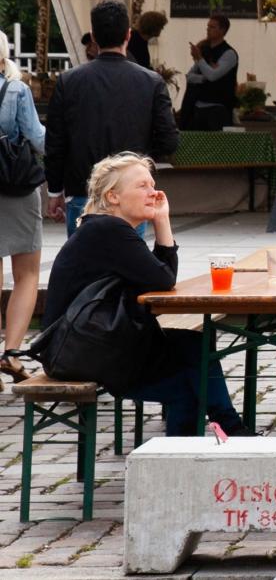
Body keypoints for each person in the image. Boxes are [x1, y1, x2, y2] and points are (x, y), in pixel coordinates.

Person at [44, 153, 246, 436]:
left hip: (84, 343)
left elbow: (158, 278)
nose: (154, 193)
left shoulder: (104, 228)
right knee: (192, 362)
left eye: (152, 184)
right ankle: (229, 429)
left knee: (192, 348)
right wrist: (162, 222)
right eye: (142, 186)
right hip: (81, 350)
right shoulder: (109, 229)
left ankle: (221, 432)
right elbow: (163, 279)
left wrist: (161, 220)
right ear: (113, 197)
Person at [45, 0, 179, 238]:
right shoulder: (151, 82)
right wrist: (142, 157)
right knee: (129, 267)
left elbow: (55, 143)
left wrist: (55, 192)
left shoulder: (69, 82)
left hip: (84, 191)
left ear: (94, 37)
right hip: (131, 195)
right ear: (128, 34)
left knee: (85, 269)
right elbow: (169, 141)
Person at [0, 32, 44, 389]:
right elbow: (38, 138)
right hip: (14, 189)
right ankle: (10, 353)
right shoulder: (15, 91)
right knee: (27, 273)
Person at [179, 15, 239, 131]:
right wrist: (204, 77)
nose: (208, 29)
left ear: (222, 30)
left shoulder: (228, 53)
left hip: (218, 109)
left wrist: (200, 59)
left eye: (212, 27)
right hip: (198, 106)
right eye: (208, 26)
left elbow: (212, 76)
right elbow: (190, 76)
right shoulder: (205, 50)